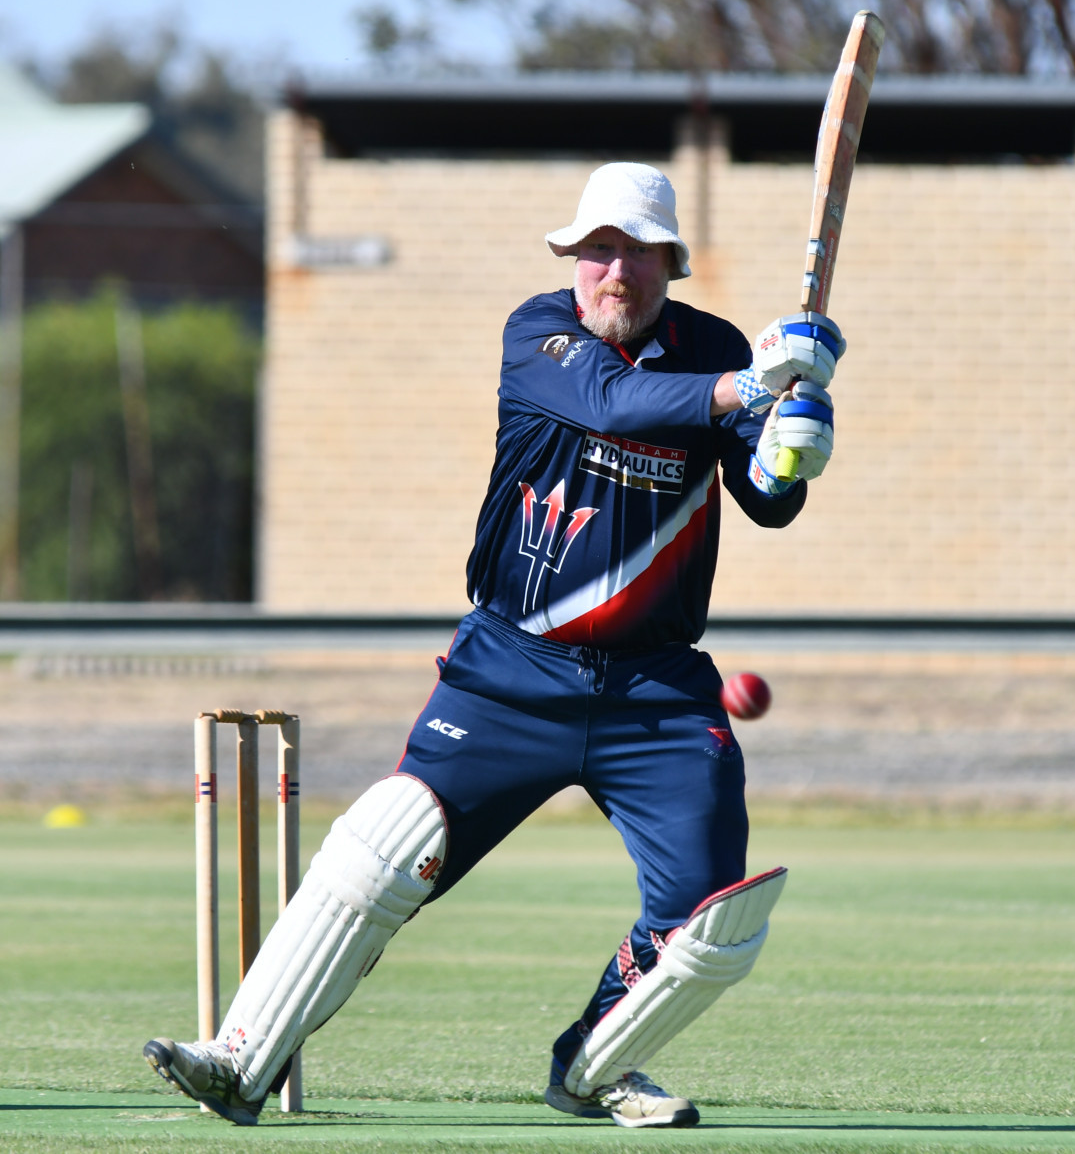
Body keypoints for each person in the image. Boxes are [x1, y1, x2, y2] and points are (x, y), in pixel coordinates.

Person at [146, 162, 842, 1129]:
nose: (616, 272)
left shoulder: (713, 347)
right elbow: (612, 405)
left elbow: (767, 502)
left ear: (669, 264)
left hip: (657, 690)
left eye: (637, 252)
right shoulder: (539, 335)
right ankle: (240, 1057)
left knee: (708, 918)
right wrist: (745, 385)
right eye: (598, 250)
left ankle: (596, 1067)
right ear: (572, 258)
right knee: (383, 848)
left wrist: (789, 448)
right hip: (511, 670)